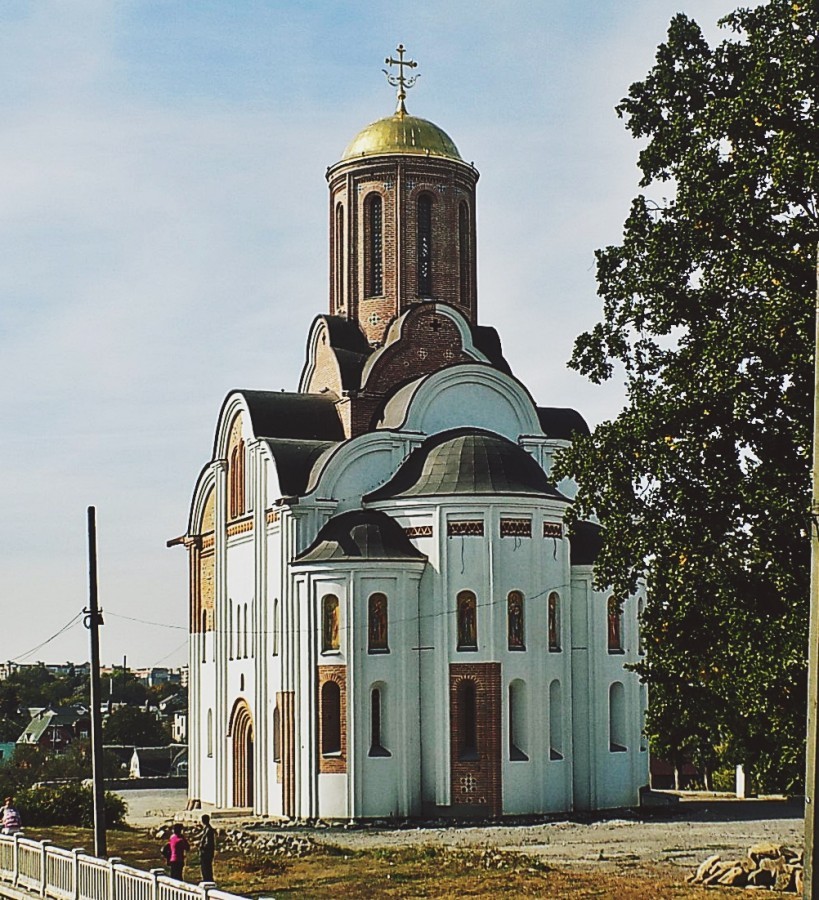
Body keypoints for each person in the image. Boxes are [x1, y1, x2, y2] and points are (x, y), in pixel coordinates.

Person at [198, 814, 216, 884]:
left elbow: (207, 842)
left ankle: (208, 880)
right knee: (205, 867)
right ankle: (206, 879)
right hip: (207, 852)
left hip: (206, 852)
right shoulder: (206, 829)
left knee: (206, 867)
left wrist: (202, 847)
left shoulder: (208, 830)